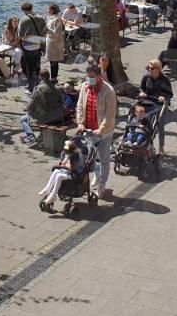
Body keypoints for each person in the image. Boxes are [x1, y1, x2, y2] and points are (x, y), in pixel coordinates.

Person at [75, 63, 116, 196]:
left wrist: (101, 129)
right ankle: (96, 175)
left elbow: (110, 114)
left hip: (103, 132)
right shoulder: (85, 87)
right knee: (92, 157)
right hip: (88, 130)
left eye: (91, 76)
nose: (89, 79)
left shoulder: (108, 91)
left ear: (99, 76)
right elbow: (80, 106)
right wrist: (80, 123)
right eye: (87, 76)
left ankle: (102, 184)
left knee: (103, 158)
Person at [37, 137, 85, 212]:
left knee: (59, 176)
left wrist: (64, 165)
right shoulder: (69, 154)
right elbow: (65, 161)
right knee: (56, 171)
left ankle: (53, 195)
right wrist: (63, 163)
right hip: (68, 171)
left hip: (75, 174)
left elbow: (71, 168)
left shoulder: (76, 157)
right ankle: (47, 189)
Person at [20, 69, 67, 144]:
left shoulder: (39, 88)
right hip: (58, 116)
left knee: (23, 119)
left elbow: (32, 104)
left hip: (47, 118)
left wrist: (29, 111)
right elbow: (62, 103)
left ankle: (30, 136)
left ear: (40, 77)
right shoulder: (57, 88)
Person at [138, 59, 173, 154]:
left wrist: (164, 97)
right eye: (148, 67)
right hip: (148, 103)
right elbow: (141, 87)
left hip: (160, 106)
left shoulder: (164, 79)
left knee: (160, 126)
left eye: (152, 68)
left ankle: (161, 146)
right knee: (146, 125)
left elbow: (170, 94)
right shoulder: (146, 77)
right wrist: (142, 92)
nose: (149, 69)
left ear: (158, 69)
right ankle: (148, 145)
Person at [17, 2, 47, 90]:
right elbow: (45, 31)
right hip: (38, 45)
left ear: (24, 10)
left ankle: (31, 85)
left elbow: (20, 34)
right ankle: (38, 81)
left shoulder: (23, 20)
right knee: (37, 65)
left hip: (27, 46)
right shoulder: (41, 18)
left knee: (29, 66)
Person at [45, 3, 66, 79]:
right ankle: (53, 77)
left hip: (54, 44)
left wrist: (47, 29)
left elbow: (56, 33)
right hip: (51, 43)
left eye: (48, 9)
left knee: (54, 61)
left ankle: (54, 78)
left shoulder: (56, 19)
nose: (47, 10)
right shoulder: (51, 18)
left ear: (52, 10)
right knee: (52, 61)